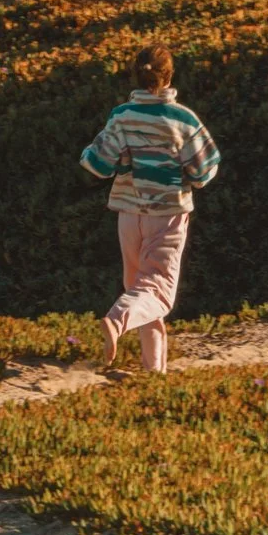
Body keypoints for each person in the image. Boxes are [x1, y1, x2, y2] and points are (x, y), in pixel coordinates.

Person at [78, 44, 220, 373]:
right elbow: (204, 171)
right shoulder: (184, 120)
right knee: (157, 290)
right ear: (169, 76)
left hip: (129, 214)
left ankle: (153, 371)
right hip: (167, 214)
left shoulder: (122, 116)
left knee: (140, 288)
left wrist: (96, 149)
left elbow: (97, 164)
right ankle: (116, 320)